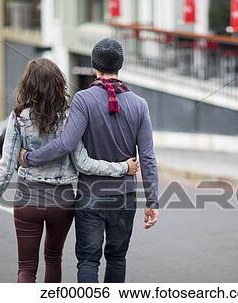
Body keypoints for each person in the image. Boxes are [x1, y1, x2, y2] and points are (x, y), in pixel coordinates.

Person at [0, 58, 139, 283]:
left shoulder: (18, 117)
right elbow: (84, 163)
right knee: (54, 259)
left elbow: (6, 167)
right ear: (58, 84)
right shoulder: (69, 117)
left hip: (28, 199)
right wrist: (123, 167)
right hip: (62, 201)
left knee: (26, 268)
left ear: (28, 84)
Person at [20, 38, 159, 283]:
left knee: (87, 260)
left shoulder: (83, 100)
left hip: (90, 195)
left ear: (94, 65)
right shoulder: (140, 105)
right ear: (121, 65)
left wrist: (30, 158)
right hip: (124, 198)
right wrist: (152, 201)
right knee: (117, 258)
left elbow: (65, 144)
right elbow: (147, 157)